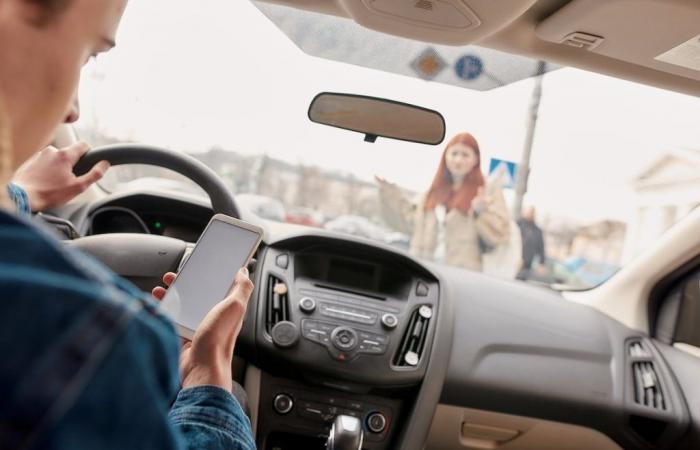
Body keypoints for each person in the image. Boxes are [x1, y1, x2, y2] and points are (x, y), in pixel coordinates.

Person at [0, 1, 256, 449]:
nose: (73, 111)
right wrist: (208, 380)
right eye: (88, 55)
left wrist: (20, 194)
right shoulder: (92, 341)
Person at [377, 132, 510, 272]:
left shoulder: (486, 191)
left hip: (462, 276)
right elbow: (409, 222)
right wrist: (388, 191)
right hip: (423, 272)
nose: (458, 160)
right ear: (445, 156)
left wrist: (481, 213)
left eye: (465, 155)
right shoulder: (432, 193)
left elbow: (499, 235)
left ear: (476, 159)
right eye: (454, 153)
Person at [517, 205, 546, 280]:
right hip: (515, 261)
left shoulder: (537, 230)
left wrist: (542, 263)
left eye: (532, 212)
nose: (531, 214)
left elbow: (541, 247)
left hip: (527, 264)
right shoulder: (517, 225)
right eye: (529, 212)